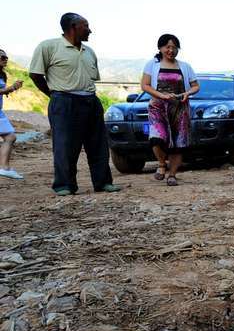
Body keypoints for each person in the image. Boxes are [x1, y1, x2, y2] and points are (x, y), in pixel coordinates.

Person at [29, 13, 121, 195]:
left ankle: (103, 183)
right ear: (73, 27)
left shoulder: (89, 52)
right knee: (64, 145)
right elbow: (35, 74)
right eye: (86, 26)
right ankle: (64, 185)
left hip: (90, 100)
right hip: (64, 101)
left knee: (98, 144)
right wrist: (54, 95)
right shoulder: (48, 47)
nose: (90, 30)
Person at [140, 34, 199, 186]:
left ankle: (172, 175)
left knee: (179, 142)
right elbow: (145, 85)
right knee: (157, 137)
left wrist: (187, 93)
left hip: (179, 108)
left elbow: (195, 86)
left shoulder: (185, 66)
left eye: (174, 47)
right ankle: (161, 164)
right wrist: (161, 95)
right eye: (167, 47)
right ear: (160, 48)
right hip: (158, 106)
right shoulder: (152, 65)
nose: (171, 50)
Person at [0, 49, 25, 180]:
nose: (5, 59)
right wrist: (11, 88)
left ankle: (5, 167)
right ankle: (4, 168)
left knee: (10, 137)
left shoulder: (2, 75)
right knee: (10, 137)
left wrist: (10, 89)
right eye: (2, 57)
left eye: (6, 57)